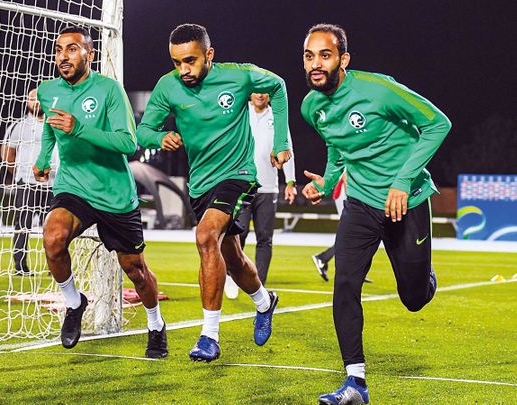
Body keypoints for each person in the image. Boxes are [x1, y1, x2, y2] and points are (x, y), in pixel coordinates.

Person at [301, 24, 451, 404]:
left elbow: (437, 124)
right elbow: (337, 146)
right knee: (345, 284)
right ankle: (355, 383)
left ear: (343, 60)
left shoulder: (379, 89)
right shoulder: (311, 106)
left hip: (408, 200)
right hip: (362, 204)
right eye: (309, 55)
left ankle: (423, 278)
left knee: (414, 298)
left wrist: (403, 180)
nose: (315, 64)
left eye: (325, 55)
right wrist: (328, 181)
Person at [136, 23, 291, 362]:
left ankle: (209, 336)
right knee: (231, 257)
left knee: (206, 236)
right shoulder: (168, 87)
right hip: (201, 183)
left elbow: (278, 87)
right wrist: (157, 138)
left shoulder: (239, 76)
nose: (183, 70)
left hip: (238, 175)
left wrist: (281, 143)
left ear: (209, 54)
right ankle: (265, 302)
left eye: (190, 61)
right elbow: (144, 129)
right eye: (176, 62)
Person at [32, 26, 168, 358]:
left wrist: (80, 129)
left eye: (72, 49)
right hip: (73, 186)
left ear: (89, 54)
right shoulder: (48, 91)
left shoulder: (109, 90)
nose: (64, 56)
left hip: (113, 194)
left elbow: (128, 143)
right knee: (52, 238)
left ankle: (155, 325)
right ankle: (74, 303)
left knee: (134, 269)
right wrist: (41, 160)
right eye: (59, 49)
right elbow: (52, 128)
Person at [235, 93, 296, 288]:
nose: (260, 95)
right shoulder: (241, 113)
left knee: (265, 239)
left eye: (264, 91)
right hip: (243, 185)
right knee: (239, 234)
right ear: (250, 94)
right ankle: (233, 275)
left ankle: (258, 285)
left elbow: (287, 148)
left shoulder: (277, 117)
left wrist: (290, 181)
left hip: (268, 188)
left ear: (269, 95)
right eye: (256, 91)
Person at [1, 89, 58, 276]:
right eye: (32, 99)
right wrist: (19, 172)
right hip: (26, 182)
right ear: (26, 102)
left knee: (53, 228)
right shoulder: (19, 126)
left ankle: (55, 266)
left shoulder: (55, 124)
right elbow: (7, 154)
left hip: (53, 184)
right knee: (22, 225)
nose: (36, 103)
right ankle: (20, 266)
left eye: (39, 99)